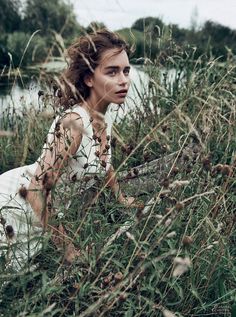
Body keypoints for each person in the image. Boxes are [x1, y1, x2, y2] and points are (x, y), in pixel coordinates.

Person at [0, 29, 138, 269]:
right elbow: (35, 190)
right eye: (112, 72)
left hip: (44, 211)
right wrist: (68, 249)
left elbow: (104, 161)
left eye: (126, 70)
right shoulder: (75, 123)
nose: (123, 80)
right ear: (89, 79)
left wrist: (121, 197)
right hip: (15, 206)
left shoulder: (106, 113)